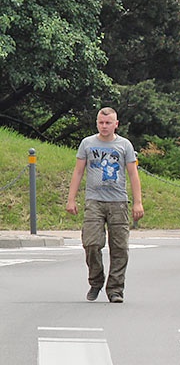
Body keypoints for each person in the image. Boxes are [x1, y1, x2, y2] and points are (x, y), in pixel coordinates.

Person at [66, 107, 144, 303]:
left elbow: (133, 175)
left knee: (119, 248)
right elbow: (78, 172)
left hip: (118, 202)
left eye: (108, 123)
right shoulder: (87, 144)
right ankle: (96, 280)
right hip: (94, 201)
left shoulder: (124, 145)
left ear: (116, 124)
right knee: (91, 243)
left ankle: (115, 289)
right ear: (97, 123)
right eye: (101, 122)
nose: (104, 126)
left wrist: (138, 203)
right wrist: (71, 199)